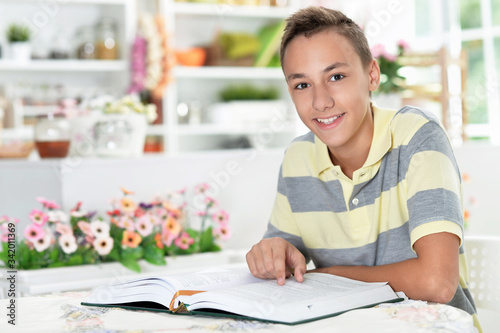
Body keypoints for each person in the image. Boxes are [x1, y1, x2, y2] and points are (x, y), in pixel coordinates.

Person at [245, 6, 480, 330]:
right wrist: (272, 256)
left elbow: (437, 283)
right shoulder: (298, 159)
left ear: (372, 75)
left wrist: (326, 276)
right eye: (302, 85)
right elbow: (283, 267)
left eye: (336, 77)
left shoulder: (417, 137)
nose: (320, 101)